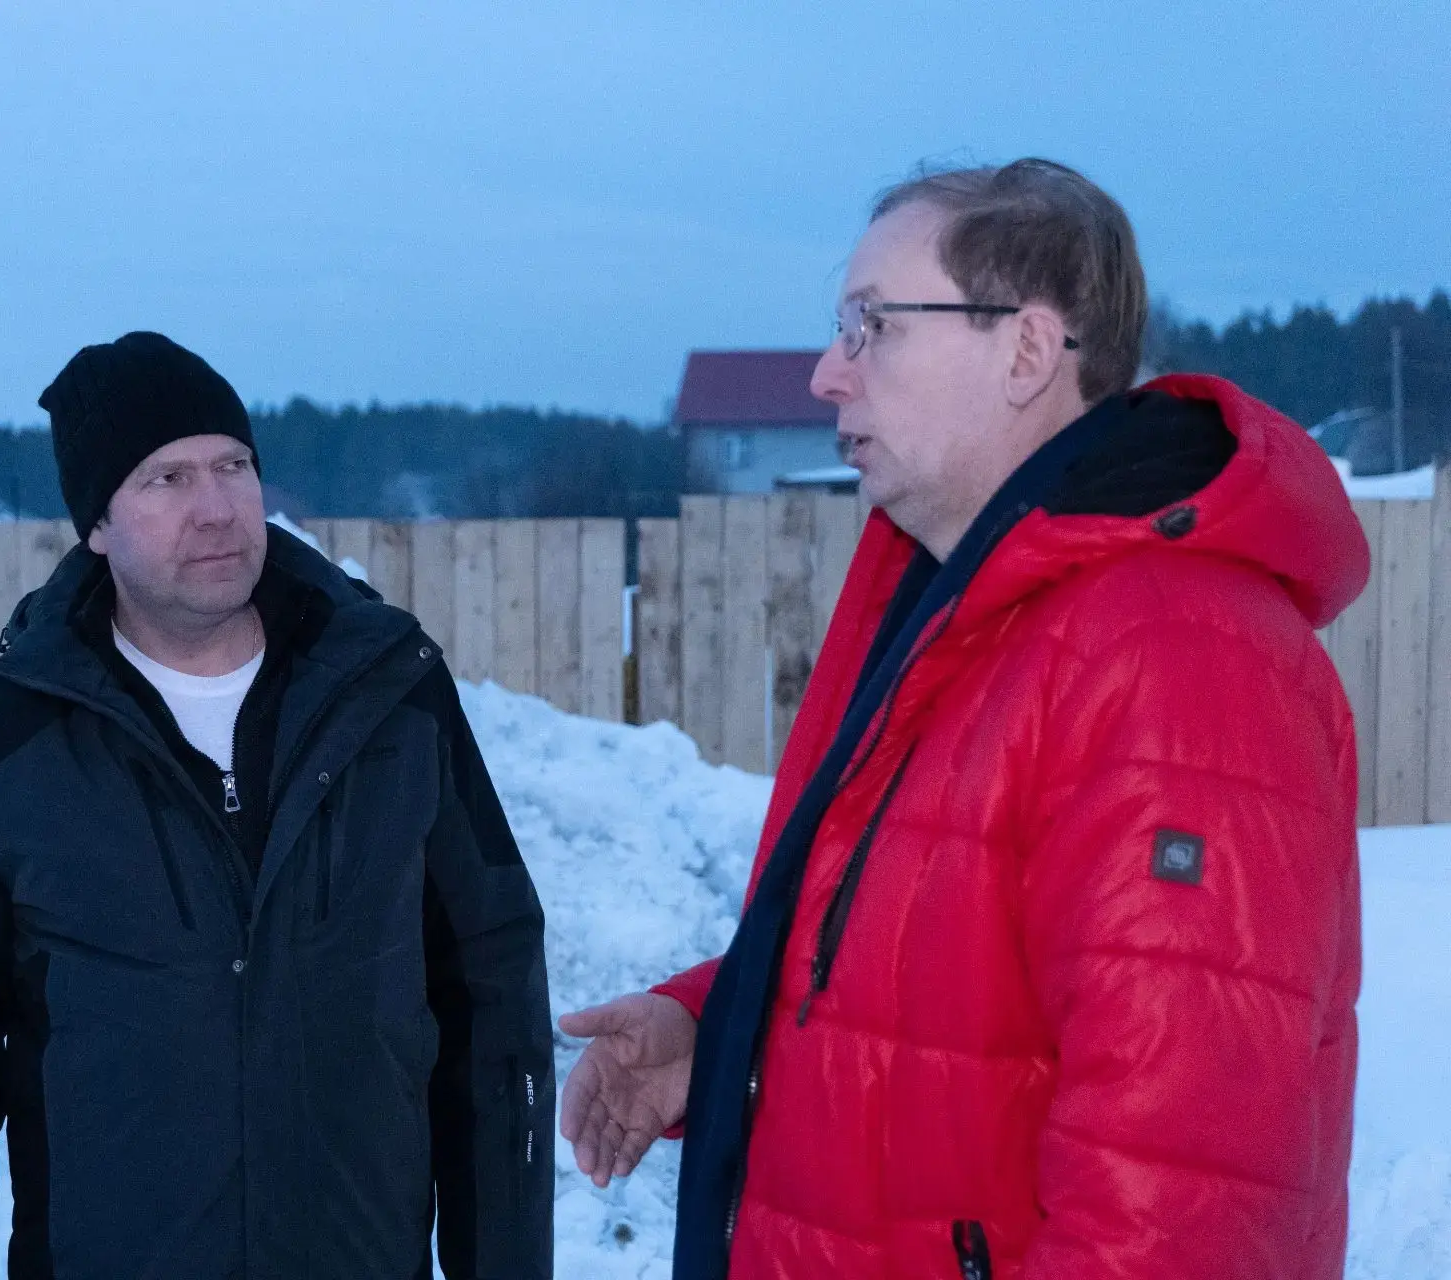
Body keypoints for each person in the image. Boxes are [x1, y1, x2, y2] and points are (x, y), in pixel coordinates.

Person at [559, 159, 1367, 1279]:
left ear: (1026, 352)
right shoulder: (970, 611)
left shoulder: (1177, 660)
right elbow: (933, 980)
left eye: (875, 325)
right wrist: (723, 1032)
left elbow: (1177, 1202)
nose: (828, 372)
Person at [0, 331, 554, 1279]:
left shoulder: (390, 699)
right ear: (97, 526)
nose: (217, 508)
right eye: (167, 479)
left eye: (233, 466)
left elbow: (493, 1005)